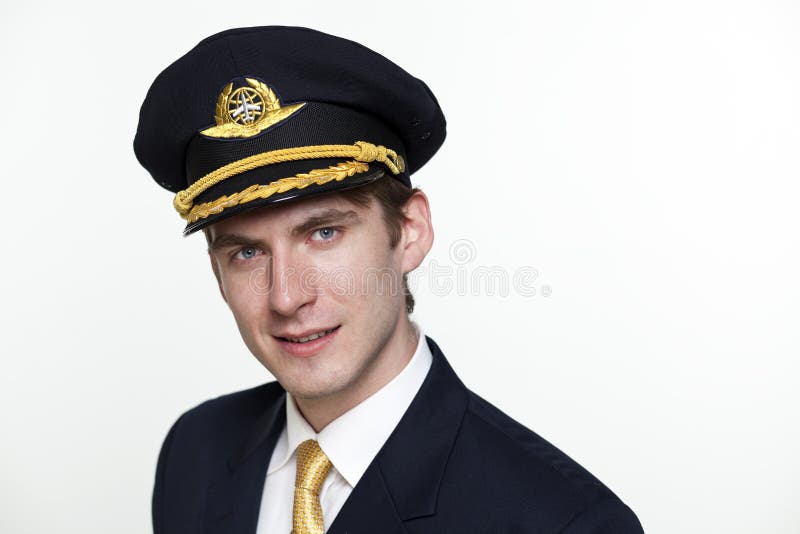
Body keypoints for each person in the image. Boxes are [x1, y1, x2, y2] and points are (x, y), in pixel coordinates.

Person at [134, 25, 644, 534]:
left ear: (411, 231)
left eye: (324, 233)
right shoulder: (195, 454)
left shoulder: (562, 522)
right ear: (217, 273)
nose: (286, 297)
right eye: (247, 252)